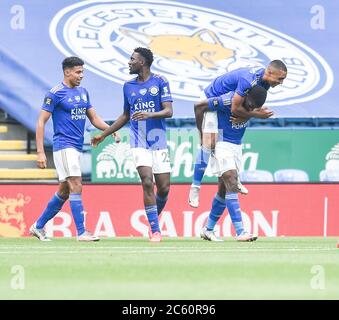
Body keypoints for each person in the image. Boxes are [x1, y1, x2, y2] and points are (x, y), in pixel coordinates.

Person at [30, 56, 120, 241]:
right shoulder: (55, 93)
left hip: (77, 147)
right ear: (67, 72)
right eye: (78, 72)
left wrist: (110, 130)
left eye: (82, 72)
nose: (81, 76)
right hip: (64, 146)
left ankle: (38, 226)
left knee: (64, 190)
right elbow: (41, 121)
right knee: (76, 184)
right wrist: (40, 152)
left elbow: (94, 118)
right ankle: (81, 232)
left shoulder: (83, 92)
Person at [91, 47, 173, 242]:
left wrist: (150, 114)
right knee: (146, 181)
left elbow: (168, 111)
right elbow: (126, 115)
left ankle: (153, 220)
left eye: (132, 59)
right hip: (138, 139)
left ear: (142, 62)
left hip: (158, 138)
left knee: (164, 188)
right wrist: (103, 135)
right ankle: (155, 230)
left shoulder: (161, 82)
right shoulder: (128, 86)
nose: (129, 62)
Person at [189, 60, 287, 208]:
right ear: (270, 72)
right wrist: (257, 115)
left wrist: (247, 115)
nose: (281, 83)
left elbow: (247, 107)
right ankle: (195, 188)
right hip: (210, 99)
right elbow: (235, 109)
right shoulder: (248, 80)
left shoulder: (265, 84)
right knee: (209, 142)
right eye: (280, 79)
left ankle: (235, 178)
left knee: (230, 137)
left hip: (226, 102)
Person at [194, 85, 268, 241]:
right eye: (249, 105)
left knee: (223, 190)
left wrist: (249, 114)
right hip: (221, 142)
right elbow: (199, 105)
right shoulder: (227, 100)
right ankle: (241, 232)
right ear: (245, 96)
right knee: (231, 181)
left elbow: (252, 110)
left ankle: (208, 229)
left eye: (254, 107)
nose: (251, 108)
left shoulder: (252, 107)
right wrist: (202, 134)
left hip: (236, 146)